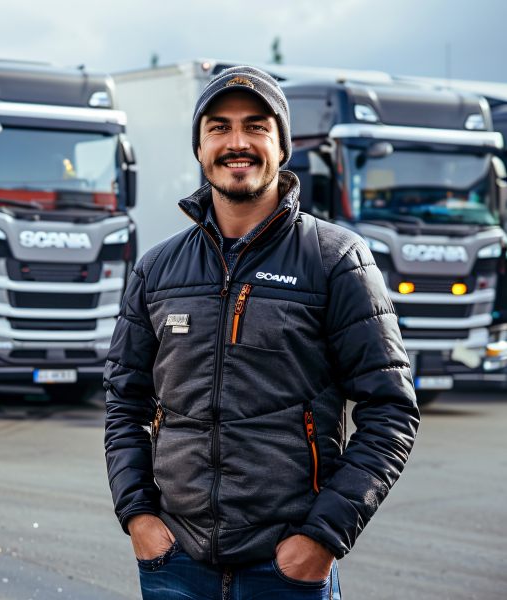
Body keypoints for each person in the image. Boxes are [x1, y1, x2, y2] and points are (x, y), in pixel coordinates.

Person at [103, 66, 420, 599]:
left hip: (287, 570)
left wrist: (322, 538)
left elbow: (390, 410)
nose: (237, 143)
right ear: (200, 147)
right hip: (175, 565)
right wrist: (138, 517)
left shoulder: (335, 260)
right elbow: (123, 402)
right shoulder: (157, 270)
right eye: (219, 127)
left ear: (282, 145)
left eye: (256, 126)